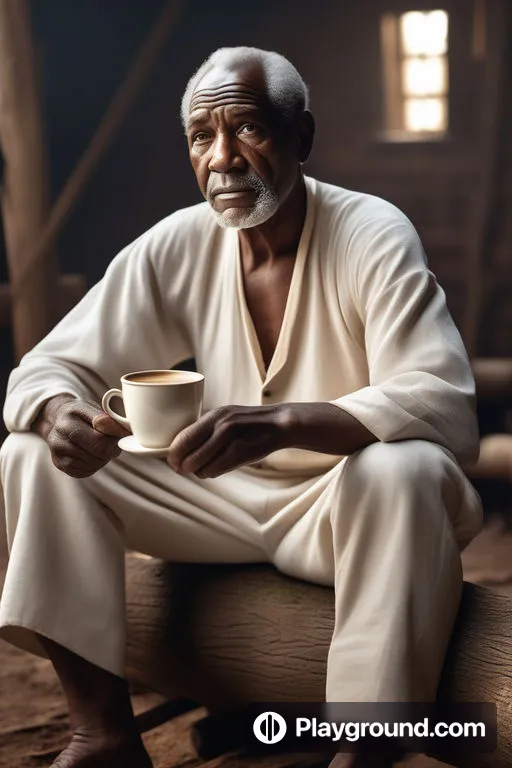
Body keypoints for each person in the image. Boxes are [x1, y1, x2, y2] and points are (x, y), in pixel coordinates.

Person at [0, 46, 483, 768]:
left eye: (248, 129)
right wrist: (59, 412)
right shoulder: (179, 243)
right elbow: (43, 367)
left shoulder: (372, 232)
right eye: (202, 137)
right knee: (31, 451)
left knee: (405, 469)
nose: (222, 158)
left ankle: (367, 747)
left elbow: (441, 398)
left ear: (302, 137)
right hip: (217, 498)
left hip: (340, 509)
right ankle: (100, 733)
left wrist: (285, 421)